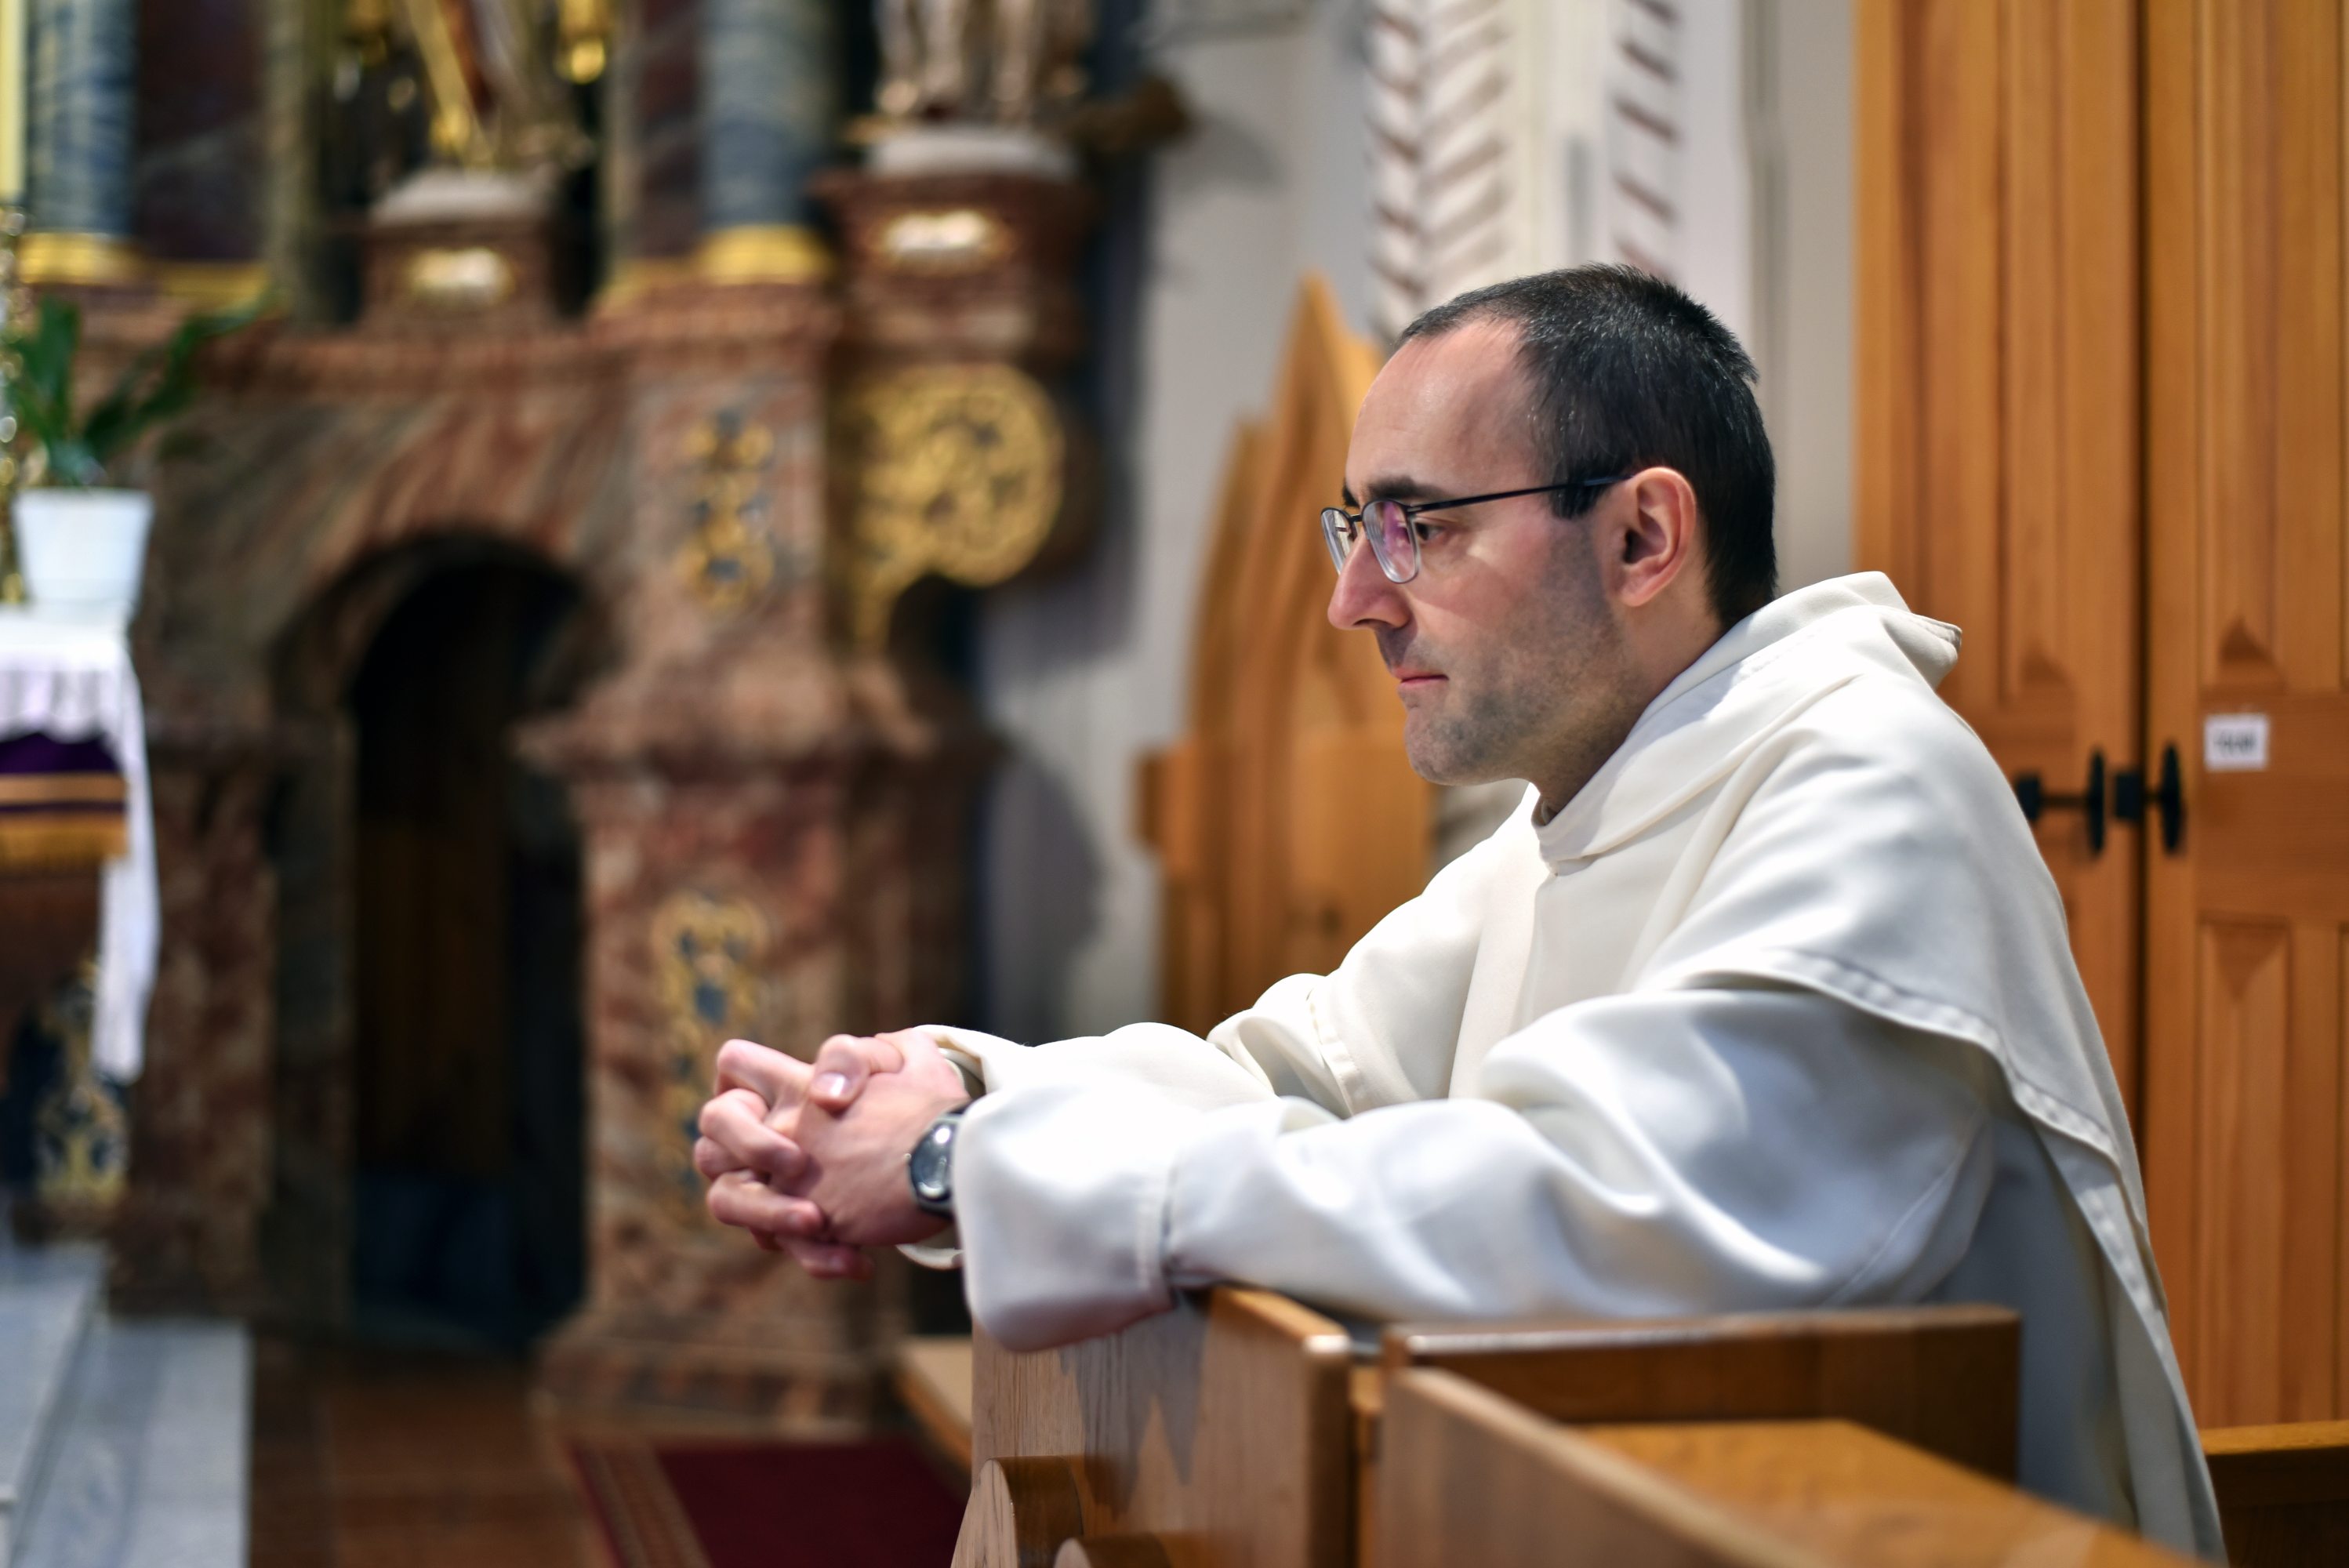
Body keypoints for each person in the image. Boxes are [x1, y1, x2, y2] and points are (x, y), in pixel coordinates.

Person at [693, 267, 2221, 1557]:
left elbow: (1591, 1204)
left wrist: (973, 1168)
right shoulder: (1585, 809)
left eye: (1419, 525)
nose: (1358, 599)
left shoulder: (1864, 786)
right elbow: (1300, 1073)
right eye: (1350, 525)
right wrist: (960, 1087)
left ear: (1639, 538)